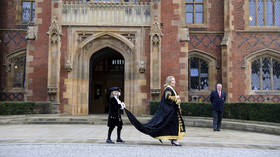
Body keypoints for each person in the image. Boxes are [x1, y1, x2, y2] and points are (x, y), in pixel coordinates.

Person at [125, 76, 186, 146]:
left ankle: (173, 139)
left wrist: (177, 99)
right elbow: (167, 98)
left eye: (174, 80)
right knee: (172, 125)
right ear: (169, 82)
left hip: (172, 112)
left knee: (171, 126)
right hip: (170, 112)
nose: (174, 82)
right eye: (173, 80)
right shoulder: (168, 89)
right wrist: (176, 98)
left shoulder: (170, 89)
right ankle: (174, 140)